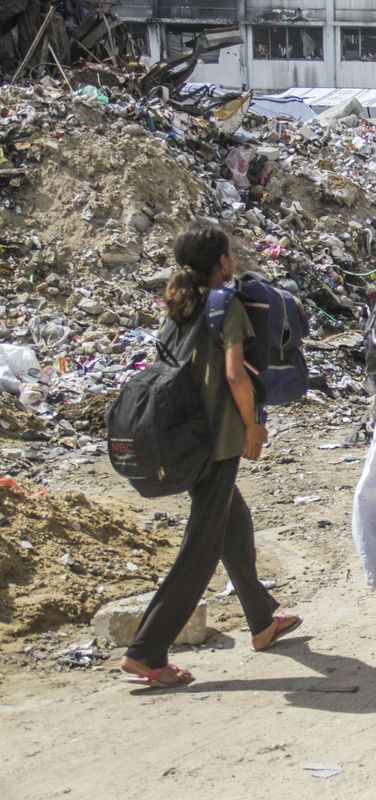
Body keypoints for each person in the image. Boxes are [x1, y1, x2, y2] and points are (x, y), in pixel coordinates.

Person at [119, 223, 301, 688]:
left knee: (231, 523)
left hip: (185, 434)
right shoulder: (225, 305)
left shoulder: (178, 304)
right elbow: (236, 376)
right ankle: (147, 651)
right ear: (222, 261)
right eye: (230, 254)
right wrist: (253, 426)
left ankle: (261, 620)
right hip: (217, 438)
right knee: (201, 545)